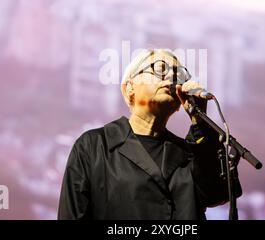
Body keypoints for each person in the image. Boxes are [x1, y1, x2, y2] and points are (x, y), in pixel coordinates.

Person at [58, 49, 242, 219]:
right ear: (130, 87)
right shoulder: (94, 146)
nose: (171, 77)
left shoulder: (190, 153)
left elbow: (219, 194)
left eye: (179, 75)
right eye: (161, 69)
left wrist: (200, 121)